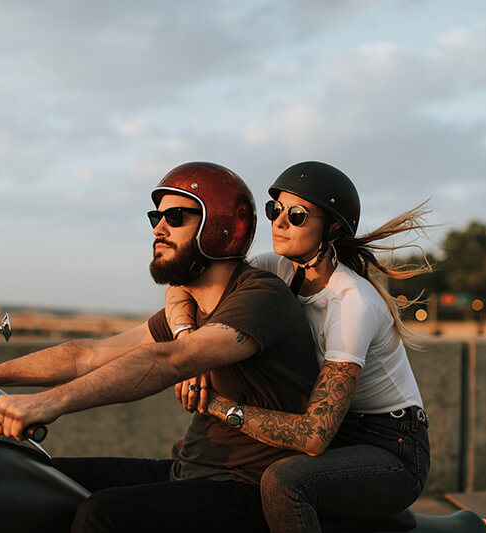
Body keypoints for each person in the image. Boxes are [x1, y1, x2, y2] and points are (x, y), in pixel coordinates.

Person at [0, 161, 320, 533]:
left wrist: (47, 403)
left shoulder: (261, 297)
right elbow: (88, 355)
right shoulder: (191, 308)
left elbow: (172, 360)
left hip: (245, 490)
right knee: (28, 479)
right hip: (187, 472)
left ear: (220, 224)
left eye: (176, 216)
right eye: (156, 217)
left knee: (104, 514)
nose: (158, 229)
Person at [167, 161, 432, 532]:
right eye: (275, 210)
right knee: (194, 458)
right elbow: (186, 274)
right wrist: (187, 345)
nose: (279, 222)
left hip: (391, 447)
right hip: (338, 433)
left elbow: (313, 435)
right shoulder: (274, 269)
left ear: (333, 227)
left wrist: (219, 406)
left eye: (297, 214)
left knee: (284, 484)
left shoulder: (351, 302)